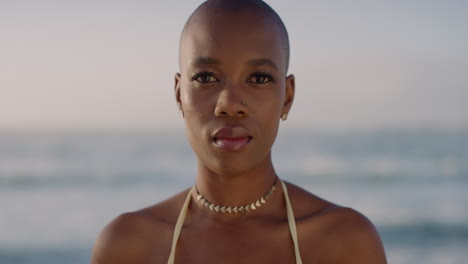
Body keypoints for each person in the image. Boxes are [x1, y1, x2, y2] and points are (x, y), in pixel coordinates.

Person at [91, 0, 387, 263]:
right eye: (206, 77)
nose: (230, 104)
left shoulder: (345, 242)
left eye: (258, 78)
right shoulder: (128, 246)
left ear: (287, 97)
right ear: (179, 94)